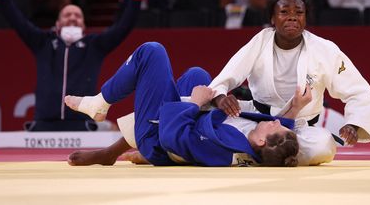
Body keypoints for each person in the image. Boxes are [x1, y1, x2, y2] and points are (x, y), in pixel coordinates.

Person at [64, 42, 310, 167]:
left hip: (157, 137)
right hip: (190, 121)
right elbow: (284, 130)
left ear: (260, 141)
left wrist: (195, 103)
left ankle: (100, 102)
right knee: (197, 75)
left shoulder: (224, 150)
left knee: (152, 52)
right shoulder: (263, 147)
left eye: (275, 126)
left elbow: (173, 137)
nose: (275, 120)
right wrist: (296, 107)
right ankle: (110, 153)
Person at [209, 0, 370, 165]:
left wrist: (354, 123)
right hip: (258, 122)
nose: (292, 17)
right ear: (272, 19)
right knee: (215, 120)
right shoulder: (260, 42)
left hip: (299, 127)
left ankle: (256, 153)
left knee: (322, 145)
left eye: (299, 12)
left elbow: (358, 91)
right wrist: (220, 97)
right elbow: (227, 75)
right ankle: (274, 154)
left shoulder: (325, 49)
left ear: (305, 19)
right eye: (284, 12)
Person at [0, 0, 145, 131]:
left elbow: (122, 28)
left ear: (84, 25)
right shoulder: (43, 42)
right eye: (67, 15)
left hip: (83, 124)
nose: (72, 18)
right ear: (57, 23)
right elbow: (18, 22)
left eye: (77, 15)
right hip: (44, 123)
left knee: (115, 132)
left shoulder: (94, 46)